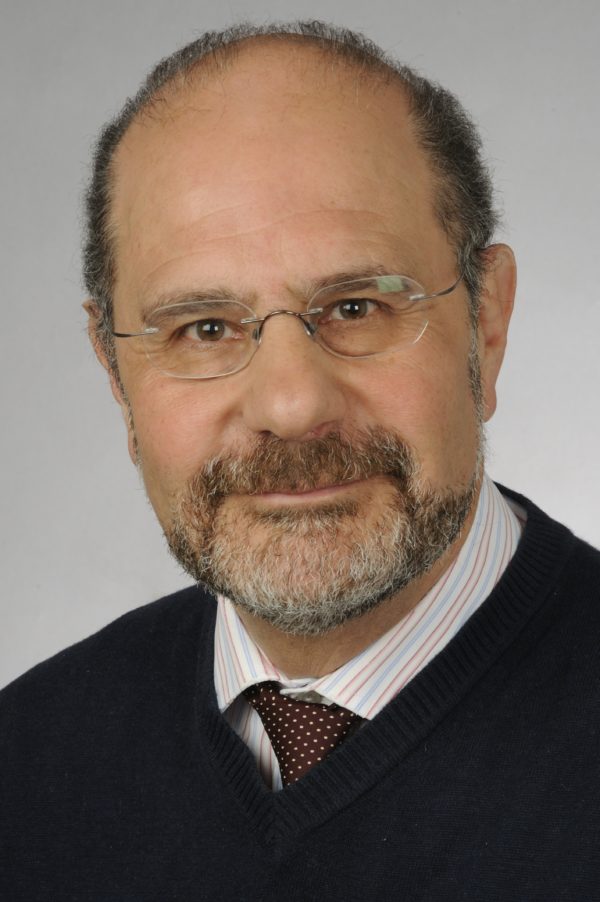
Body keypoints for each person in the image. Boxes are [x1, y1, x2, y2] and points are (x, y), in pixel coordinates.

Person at [1, 21, 599, 901]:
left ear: (487, 323)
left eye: (357, 307)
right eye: (204, 328)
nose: (292, 407)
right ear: (115, 374)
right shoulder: (25, 766)